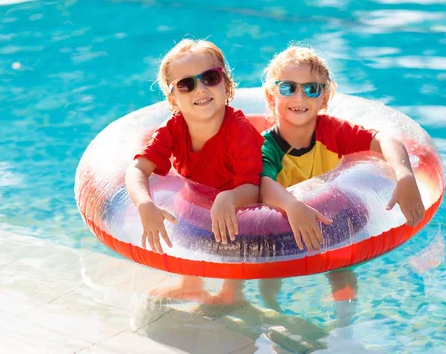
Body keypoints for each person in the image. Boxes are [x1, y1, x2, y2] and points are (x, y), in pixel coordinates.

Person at [258, 45, 425, 325]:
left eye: (311, 89)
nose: (299, 96)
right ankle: (274, 313)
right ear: (270, 95)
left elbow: (387, 140)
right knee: (273, 274)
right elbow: (262, 184)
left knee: (341, 269)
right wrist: (292, 205)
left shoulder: (332, 132)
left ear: (324, 97)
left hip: (332, 219)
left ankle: (344, 327)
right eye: (288, 88)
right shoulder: (266, 145)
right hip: (283, 224)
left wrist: (404, 176)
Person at [125, 39, 263, 305]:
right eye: (186, 84)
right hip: (196, 201)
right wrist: (145, 204)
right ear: (173, 99)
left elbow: (254, 189)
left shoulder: (239, 131)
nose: (200, 89)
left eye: (210, 77)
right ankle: (191, 285)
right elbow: (137, 169)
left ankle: (231, 293)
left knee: (234, 236)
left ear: (227, 86)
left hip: (238, 210)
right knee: (185, 215)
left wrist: (230, 198)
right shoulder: (173, 128)